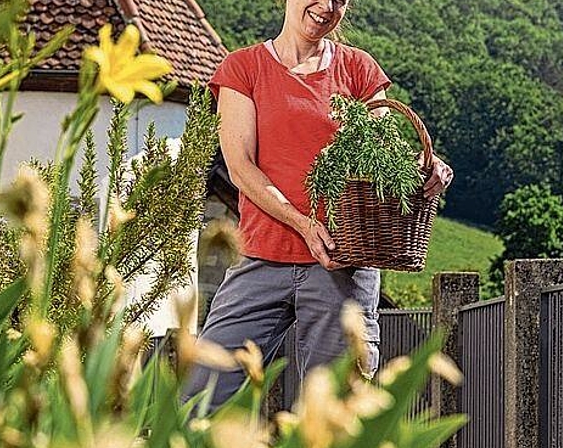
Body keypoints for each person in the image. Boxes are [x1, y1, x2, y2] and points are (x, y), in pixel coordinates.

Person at [185, 0, 454, 409]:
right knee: (202, 397)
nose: (326, 6)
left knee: (337, 413)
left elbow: (381, 157)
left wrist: (426, 166)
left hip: (343, 263)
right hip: (262, 257)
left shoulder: (359, 70)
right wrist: (303, 224)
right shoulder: (244, 69)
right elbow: (240, 168)